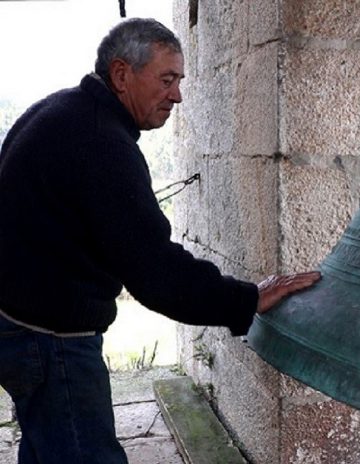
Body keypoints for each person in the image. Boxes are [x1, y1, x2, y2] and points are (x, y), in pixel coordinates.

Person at [0, 17, 320, 464]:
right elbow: (157, 273)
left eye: (180, 81)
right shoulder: (100, 142)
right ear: (121, 75)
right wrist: (245, 299)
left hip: (21, 326)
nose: (178, 95)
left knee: (47, 449)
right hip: (53, 343)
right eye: (167, 80)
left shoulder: (60, 111)